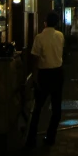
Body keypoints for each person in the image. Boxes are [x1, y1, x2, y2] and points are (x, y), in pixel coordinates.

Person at [27, 11, 65, 148]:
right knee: (56, 108)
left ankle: (31, 138)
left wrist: (34, 76)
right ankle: (50, 136)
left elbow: (35, 58)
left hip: (44, 74)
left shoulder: (39, 37)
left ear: (45, 22)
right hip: (58, 73)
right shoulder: (60, 36)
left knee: (38, 107)